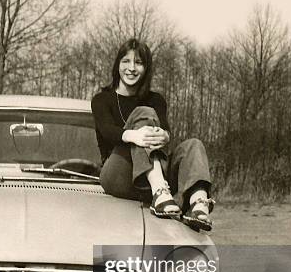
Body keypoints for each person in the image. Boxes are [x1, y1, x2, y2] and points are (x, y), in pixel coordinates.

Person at [91, 38, 215, 231]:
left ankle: (198, 205)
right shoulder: (102, 99)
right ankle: (160, 191)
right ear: (117, 65)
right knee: (144, 112)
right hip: (117, 175)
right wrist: (134, 136)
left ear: (146, 68)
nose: (131, 68)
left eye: (138, 62)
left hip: (151, 179)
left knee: (194, 144)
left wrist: (165, 136)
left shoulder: (156, 99)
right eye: (126, 61)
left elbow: (164, 129)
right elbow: (107, 132)